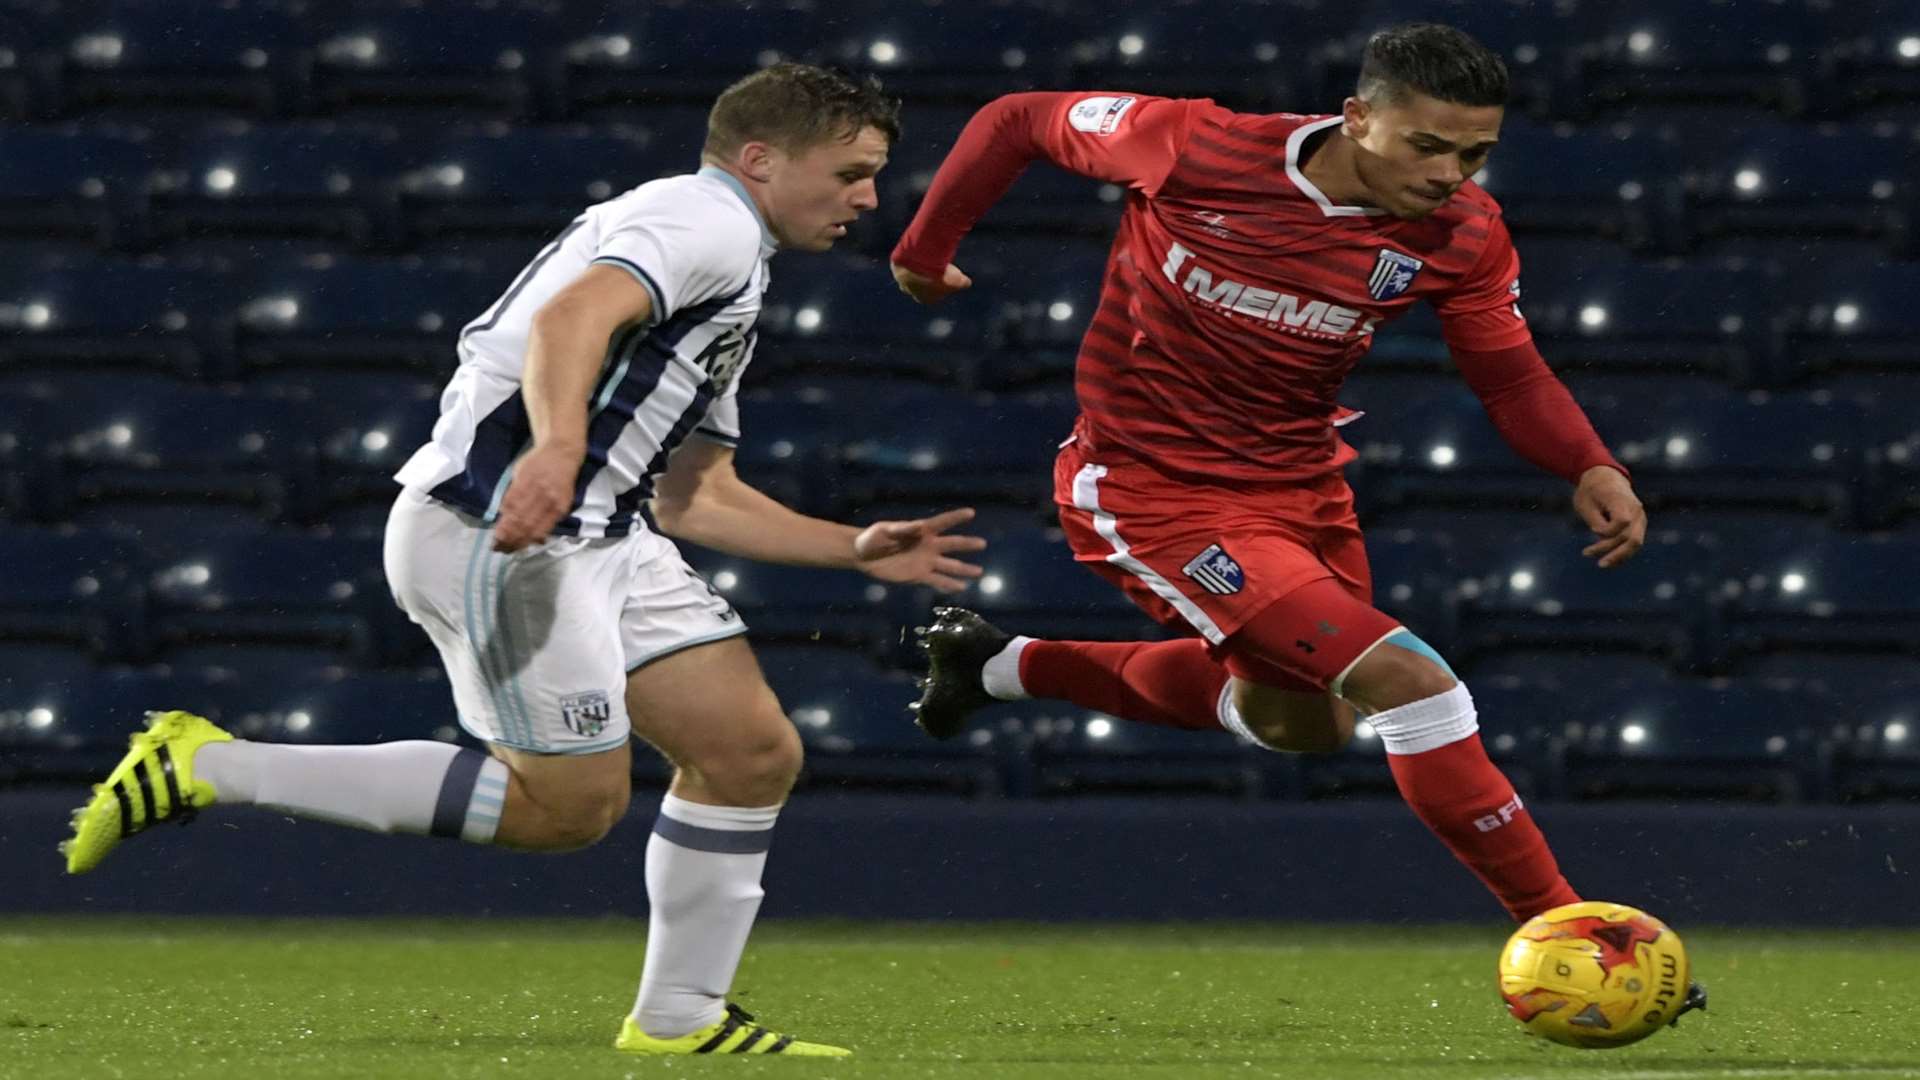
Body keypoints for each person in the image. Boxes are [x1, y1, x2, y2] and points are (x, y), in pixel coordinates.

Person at [63, 62, 985, 1058]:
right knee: (566, 811)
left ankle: (679, 1020)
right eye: (853, 172)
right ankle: (212, 766)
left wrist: (850, 548)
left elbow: (695, 495)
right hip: (500, 529)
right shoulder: (702, 220)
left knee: (748, 752)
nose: (870, 199)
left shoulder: (732, 265)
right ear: (761, 159)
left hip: (609, 536)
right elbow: (570, 319)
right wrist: (552, 449)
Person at [891, 25, 1646, 926]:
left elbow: (1511, 374)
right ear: (1359, 117)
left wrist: (1588, 462)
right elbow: (1017, 117)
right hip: (1151, 489)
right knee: (1413, 685)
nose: (1452, 173)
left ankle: (999, 666)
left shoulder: (1464, 234)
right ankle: (1574, 929)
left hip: (1300, 488)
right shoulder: (1192, 146)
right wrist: (923, 251)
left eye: (1476, 153)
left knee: (1305, 727)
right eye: (1430, 145)